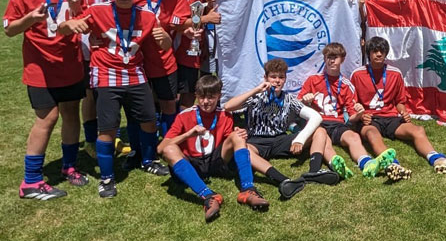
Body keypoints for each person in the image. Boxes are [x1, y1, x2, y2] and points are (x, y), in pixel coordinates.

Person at [59, 0, 174, 197]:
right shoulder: (97, 10)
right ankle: (107, 177)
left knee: (149, 121)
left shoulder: (147, 16)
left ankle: (148, 160)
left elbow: (165, 45)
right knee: (108, 128)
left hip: (136, 74)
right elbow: (64, 29)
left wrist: (167, 39)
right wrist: (68, 25)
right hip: (106, 75)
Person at [5, 0, 87, 199]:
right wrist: (30, 18)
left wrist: (76, 8)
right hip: (40, 65)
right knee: (47, 118)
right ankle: (30, 181)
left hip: (70, 63)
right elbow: (9, 30)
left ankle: (69, 166)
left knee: (71, 113)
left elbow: (81, 21)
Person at [350, 37, 446, 180]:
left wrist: (403, 112)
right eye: (375, 51)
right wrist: (362, 115)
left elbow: (399, 102)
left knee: (418, 130)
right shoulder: (357, 74)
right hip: (370, 120)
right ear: (369, 53)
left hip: (390, 118)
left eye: (382, 51)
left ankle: (437, 160)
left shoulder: (395, 73)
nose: (379, 54)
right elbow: (352, 104)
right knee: (372, 134)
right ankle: (392, 165)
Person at [158, 75, 269, 221]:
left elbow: (231, 141)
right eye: (201, 97)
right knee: (169, 149)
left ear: (219, 96)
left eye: (210, 97)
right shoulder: (184, 116)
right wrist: (188, 134)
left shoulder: (224, 115)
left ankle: (247, 190)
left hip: (215, 161)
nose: (205, 102)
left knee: (238, 136)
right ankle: (209, 196)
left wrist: (238, 133)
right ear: (196, 96)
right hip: (192, 162)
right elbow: (161, 148)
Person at [67, 0, 129, 158]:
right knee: (91, 93)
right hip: (87, 45)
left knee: (111, 93)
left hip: (113, 45)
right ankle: (92, 140)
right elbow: (71, 10)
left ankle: (110, 136)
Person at [222, 59, 319, 199]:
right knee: (245, 151)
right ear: (266, 78)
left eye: (281, 77)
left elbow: (315, 117)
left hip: (280, 138)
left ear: (285, 79)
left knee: (319, 131)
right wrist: (256, 90)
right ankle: (283, 180)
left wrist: (300, 140)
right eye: (273, 77)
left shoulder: (288, 98)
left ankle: (314, 171)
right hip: (257, 140)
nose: (277, 81)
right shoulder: (256, 97)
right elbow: (228, 106)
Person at [299, 43, 396, 181]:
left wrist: (360, 114)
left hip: (337, 123)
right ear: (324, 59)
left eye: (335, 57)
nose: (332, 61)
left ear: (342, 59)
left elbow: (351, 117)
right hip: (318, 123)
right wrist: (305, 100)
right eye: (329, 57)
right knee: (324, 141)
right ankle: (335, 163)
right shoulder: (312, 80)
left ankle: (367, 163)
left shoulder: (346, 84)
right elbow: (297, 106)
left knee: (354, 137)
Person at [134, 0, 190, 151]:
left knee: (168, 103)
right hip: (137, 57)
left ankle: (168, 145)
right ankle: (144, 150)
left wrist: (172, 28)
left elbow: (182, 17)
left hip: (164, 55)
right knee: (142, 106)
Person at [175, 0, 220, 109]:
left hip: (195, 50)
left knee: (192, 93)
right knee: (186, 96)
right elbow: (177, 22)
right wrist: (207, 17)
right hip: (185, 51)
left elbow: (195, 13)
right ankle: (181, 131)